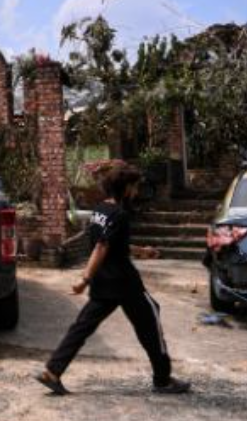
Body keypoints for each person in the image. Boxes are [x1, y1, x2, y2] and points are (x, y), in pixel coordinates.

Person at [36, 163, 191, 396]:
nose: (136, 192)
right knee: (150, 320)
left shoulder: (100, 210)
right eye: (135, 187)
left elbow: (112, 244)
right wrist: (84, 278)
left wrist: (141, 251)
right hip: (125, 283)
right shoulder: (120, 214)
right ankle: (163, 380)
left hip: (104, 282)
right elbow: (101, 246)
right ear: (126, 188)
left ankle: (52, 371)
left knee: (82, 327)